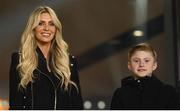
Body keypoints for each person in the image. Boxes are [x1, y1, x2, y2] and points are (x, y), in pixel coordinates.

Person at [9, 6, 83, 110]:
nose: (47, 28)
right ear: (33, 28)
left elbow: (77, 105)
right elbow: (16, 105)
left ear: (56, 28)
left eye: (51, 24)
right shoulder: (20, 60)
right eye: (41, 23)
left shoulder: (69, 62)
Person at [110, 43, 180, 109]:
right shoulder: (120, 94)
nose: (141, 64)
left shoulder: (168, 92)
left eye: (146, 61)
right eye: (136, 61)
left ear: (154, 65)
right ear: (129, 65)